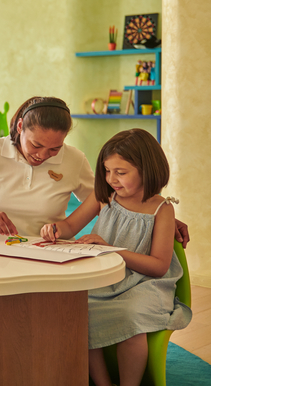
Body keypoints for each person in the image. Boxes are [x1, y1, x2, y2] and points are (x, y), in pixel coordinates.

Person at [40, 129, 192, 385]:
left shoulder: (162, 209)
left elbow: (158, 266)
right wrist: (54, 229)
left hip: (146, 284)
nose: (111, 179)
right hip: (104, 280)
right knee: (78, 314)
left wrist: (111, 249)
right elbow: (70, 225)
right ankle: (104, 386)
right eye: (107, 171)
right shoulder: (104, 196)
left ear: (147, 170)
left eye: (120, 172)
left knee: (130, 318)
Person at [0, 96, 190, 244]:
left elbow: (110, 201)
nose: (42, 155)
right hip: (3, 247)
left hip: (52, 248)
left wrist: (159, 219)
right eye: (36, 145)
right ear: (20, 126)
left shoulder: (74, 159)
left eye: (54, 148)